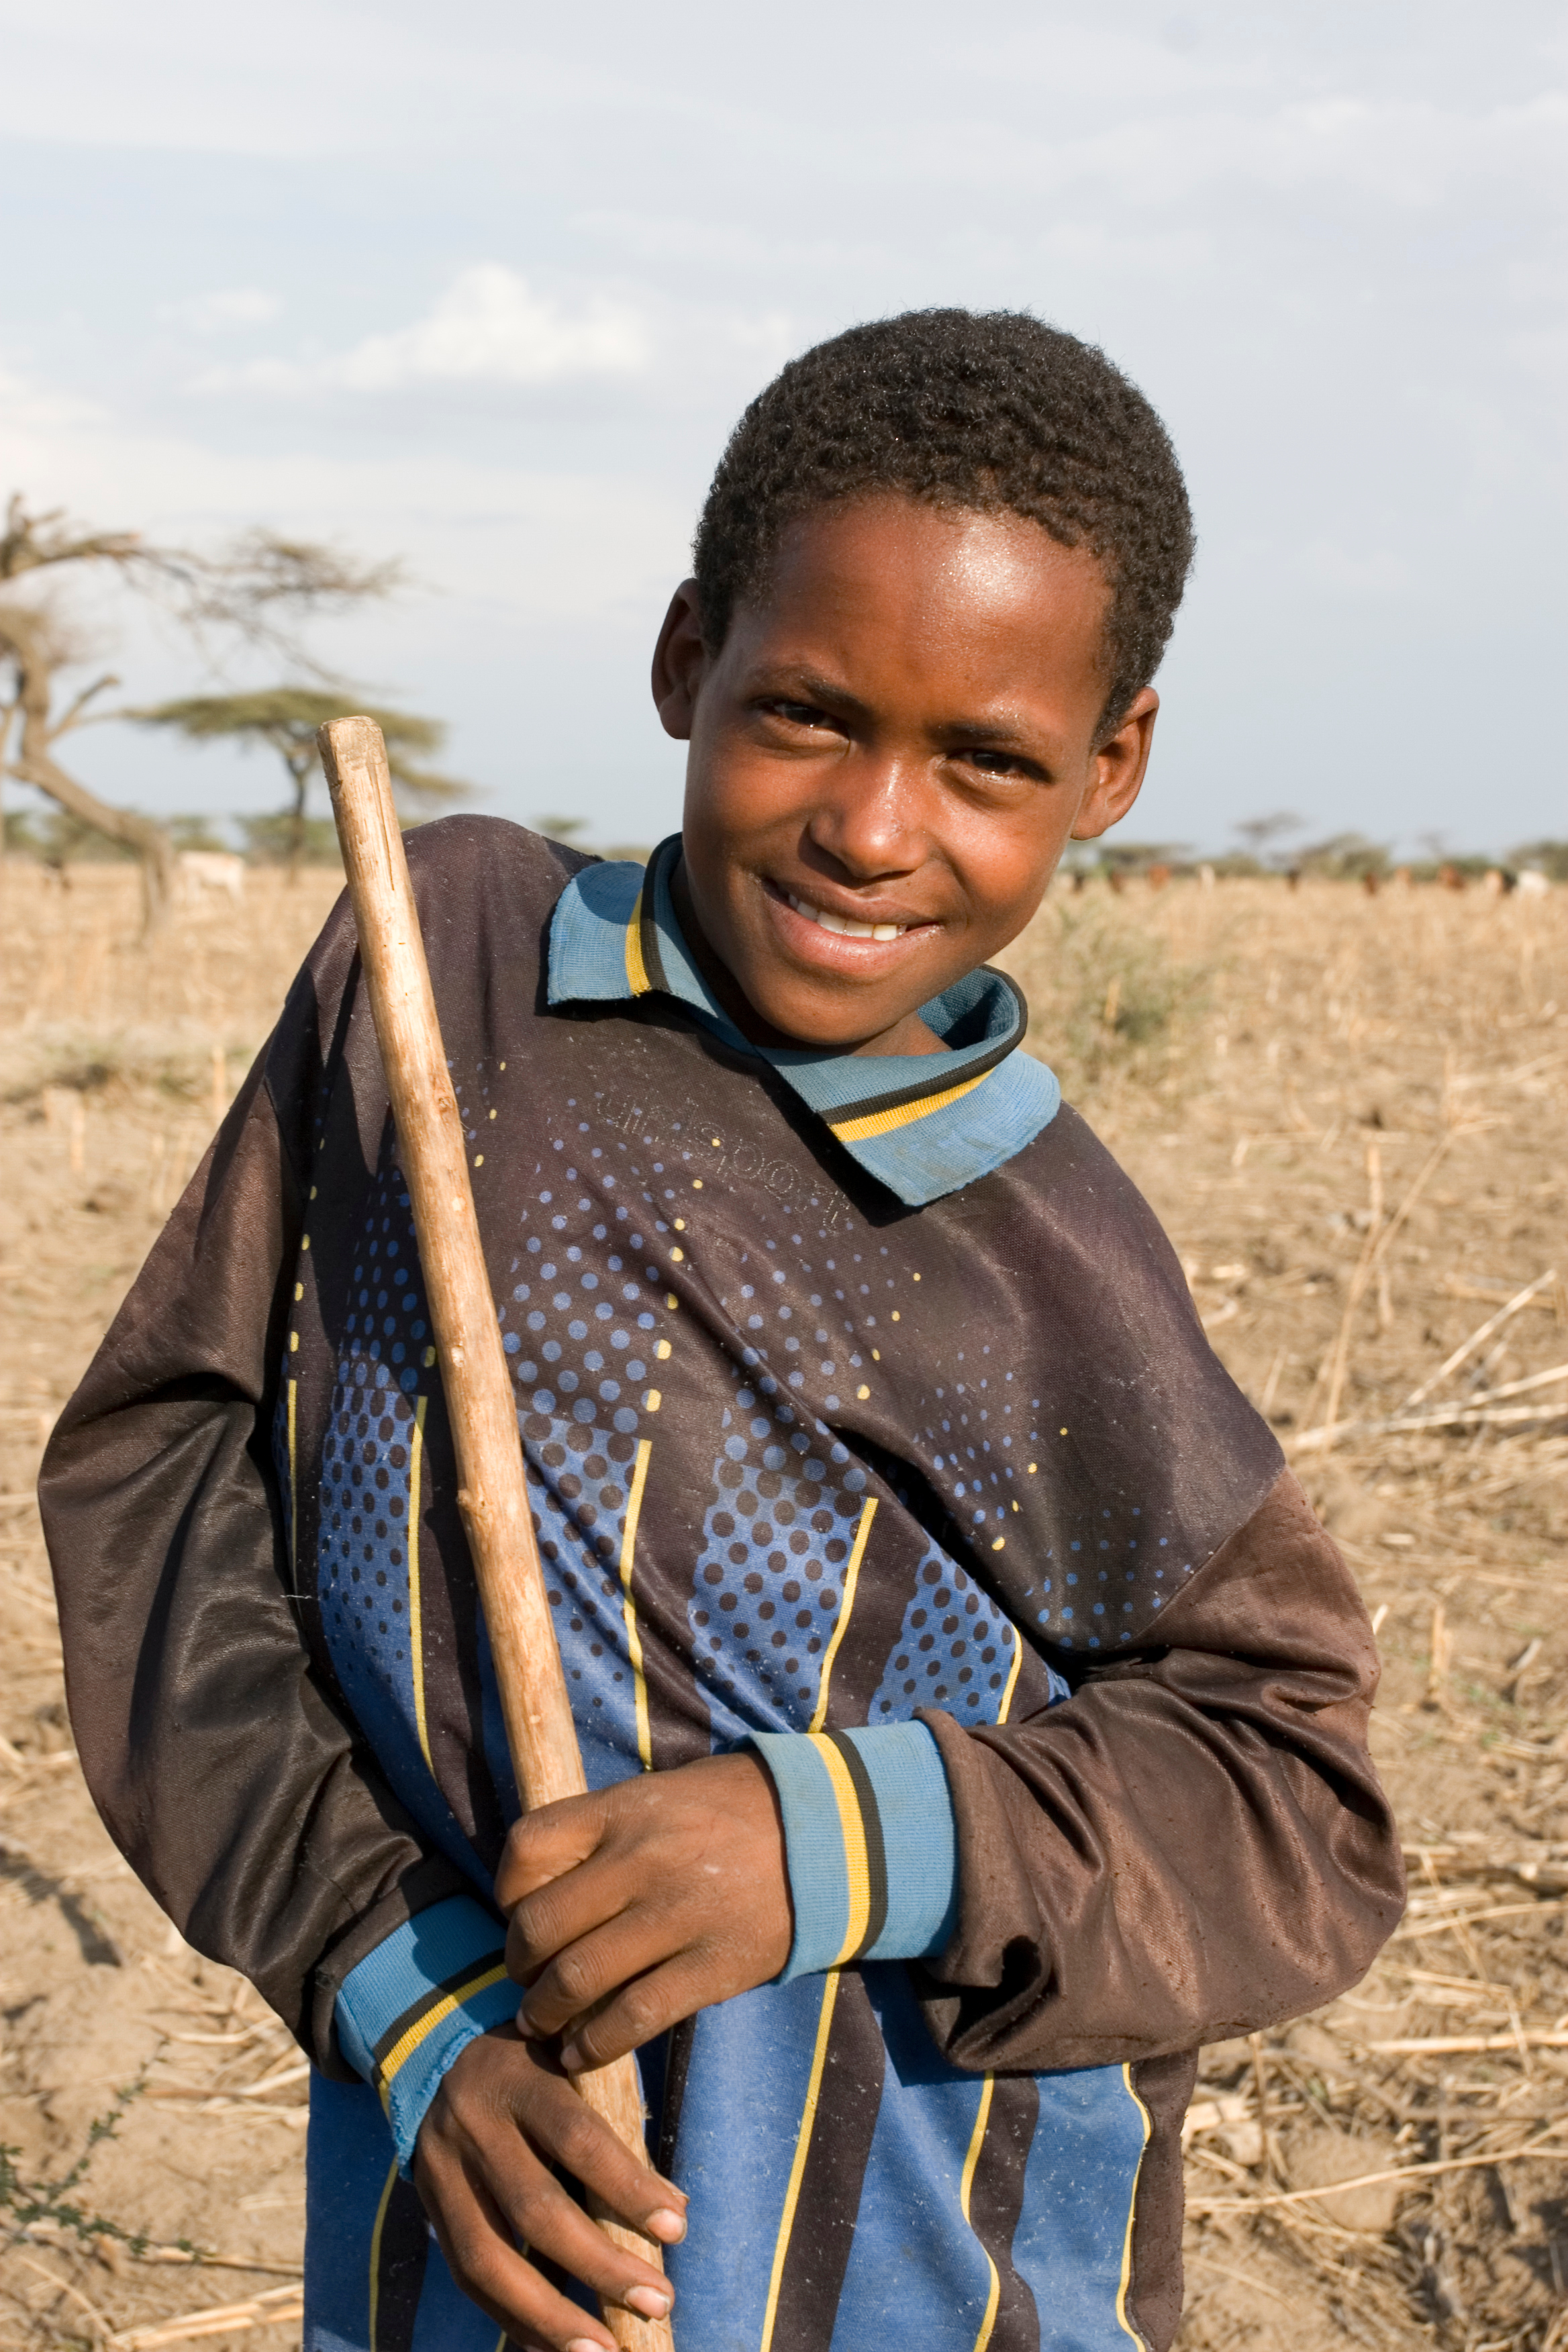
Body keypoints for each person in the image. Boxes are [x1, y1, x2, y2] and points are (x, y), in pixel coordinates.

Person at [41, 310, 1402, 2352]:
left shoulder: (1053, 1269)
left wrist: (831, 1838)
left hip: (922, 2288)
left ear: (1108, 770)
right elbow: (170, 1490)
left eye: (990, 763)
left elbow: (1300, 1807)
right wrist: (397, 1980)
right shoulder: (446, 974)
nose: (872, 827)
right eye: (805, 714)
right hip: (475, 2242)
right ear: (688, 657)